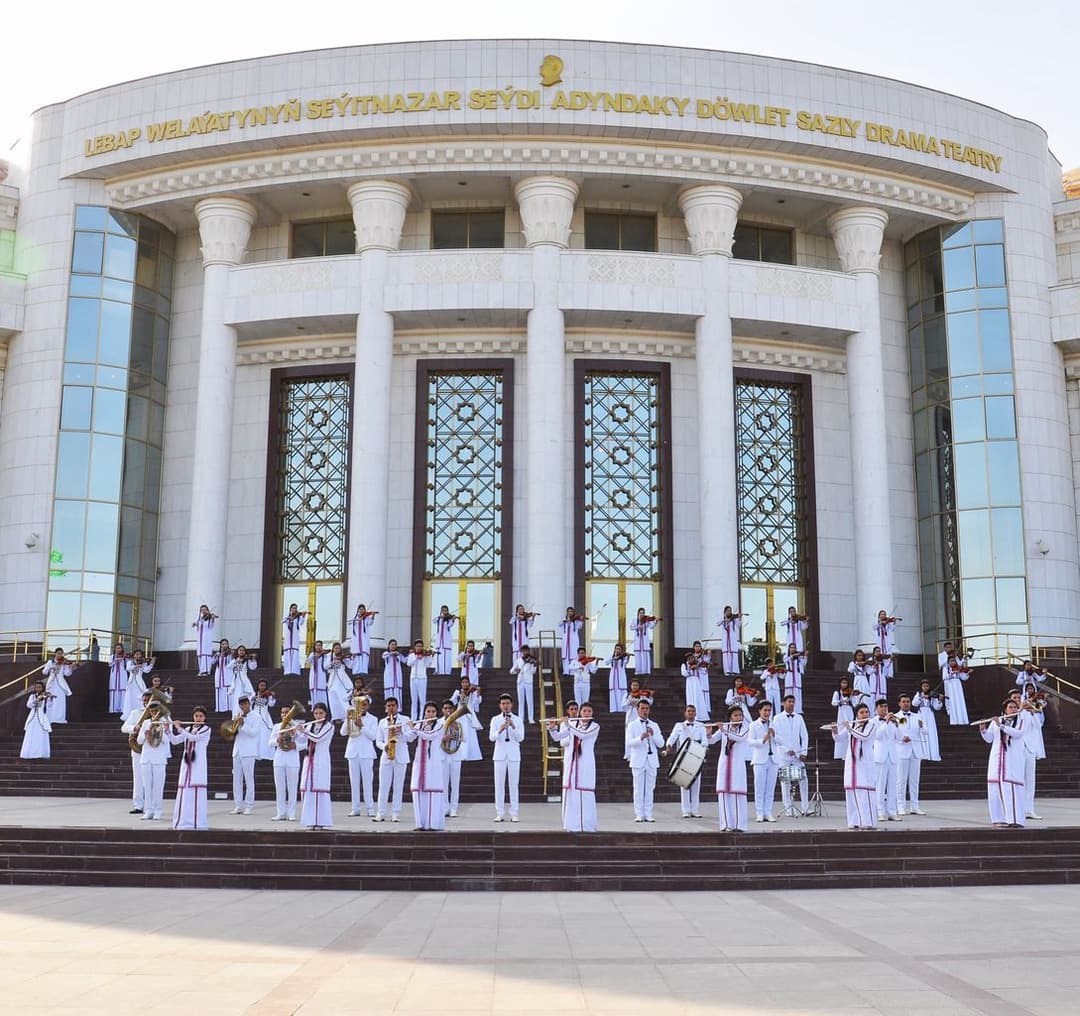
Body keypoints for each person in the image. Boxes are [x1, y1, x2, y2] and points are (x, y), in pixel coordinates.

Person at [550, 702, 599, 832]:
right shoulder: (572, 724)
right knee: (570, 793)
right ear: (580, 713)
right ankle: (571, 825)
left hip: (585, 765)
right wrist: (553, 728)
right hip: (572, 764)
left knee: (585, 793)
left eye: (589, 711)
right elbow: (558, 738)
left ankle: (587, 826)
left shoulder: (594, 726)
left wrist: (568, 725)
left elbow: (582, 735)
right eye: (584, 711)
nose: (586, 714)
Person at [979, 700, 1028, 828]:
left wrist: (1000, 725)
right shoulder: (997, 721)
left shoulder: (1021, 721)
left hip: (1012, 762)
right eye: (1010, 707)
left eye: (1015, 707)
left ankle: (1015, 819)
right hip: (997, 761)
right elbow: (989, 739)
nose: (1013, 709)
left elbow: (1018, 733)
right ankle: (999, 819)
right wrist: (983, 729)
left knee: (1012, 789)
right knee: (995, 790)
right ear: (1005, 709)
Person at [831, 704, 878, 829]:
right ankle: (854, 821)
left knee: (863, 791)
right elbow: (839, 739)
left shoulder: (872, 725)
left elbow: (864, 736)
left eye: (866, 712)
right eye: (862, 712)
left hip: (864, 762)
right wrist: (835, 730)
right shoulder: (852, 725)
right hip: (851, 762)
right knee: (851, 791)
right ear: (857, 714)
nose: (865, 715)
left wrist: (850, 729)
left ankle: (867, 822)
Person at [167, 708, 211, 830]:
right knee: (185, 792)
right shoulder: (188, 729)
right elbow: (175, 741)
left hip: (198, 766)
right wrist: (168, 730)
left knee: (197, 792)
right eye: (196, 716)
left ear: (204, 718)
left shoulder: (207, 729)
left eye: (201, 716)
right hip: (187, 765)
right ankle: (182, 822)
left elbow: (193, 738)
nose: (198, 718)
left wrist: (179, 728)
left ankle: (198, 824)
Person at [710, 706, 751, 832]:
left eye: (740, 715)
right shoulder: (725, 727)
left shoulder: (745, 727)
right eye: (736, 715)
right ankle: (726, 824)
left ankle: (740, 825)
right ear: (730, 717)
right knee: (723, 793)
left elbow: (739, 738)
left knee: (737, 793)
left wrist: (724, 730)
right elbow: (711, 741)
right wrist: (708, 732)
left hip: (737, 765)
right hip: (724, 765)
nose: (739, 717)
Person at [663, 704, 708, 818]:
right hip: (683, 757)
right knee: (684, 784)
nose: (691, 713)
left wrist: (700, 749)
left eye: (693, 711)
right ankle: (686, 810)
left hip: (696, 757)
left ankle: (695, 810)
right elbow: (672, 738)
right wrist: (668, 747)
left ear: (696, 713)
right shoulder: (679, 726)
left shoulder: (701, 726)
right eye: (689, 711)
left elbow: (705, 742)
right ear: (685, 713)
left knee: (696, 784)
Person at [448, 677, 484, 809]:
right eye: (463, 682)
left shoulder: (472, 692)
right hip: (459, 713)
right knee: (460, 735)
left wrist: (478, 692)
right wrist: (458, 696)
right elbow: (451, 702)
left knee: (469, 735)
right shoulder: (458, 692)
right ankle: (461, 753)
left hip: (468, 714)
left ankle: (469, 753)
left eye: (466, 683)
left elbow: (477, 702)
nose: (465, 684)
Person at [625, 698, 664, 822]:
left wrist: (654, 735)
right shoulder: (632, 725)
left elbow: (661, 744)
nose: (644, 711)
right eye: (642, 708)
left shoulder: (654, 725)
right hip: (638, 760)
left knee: (650, 788)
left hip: (651, 760)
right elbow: (629, 743)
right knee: (638, 788)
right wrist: (640, 738)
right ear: (638, 710)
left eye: (646, 709)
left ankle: (648, 813)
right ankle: (639, 813)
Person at [409, 704, 446, 830]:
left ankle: (433, 824)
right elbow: (409, 738)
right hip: (419, 763)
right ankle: (420, 824)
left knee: (432, 792)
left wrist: (414, 729)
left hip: (433, 763)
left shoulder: (440, 725)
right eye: (428, 711)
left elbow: (430, 735)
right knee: (418, 792)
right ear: (424, 713)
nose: (430, 714)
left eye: (433, 711)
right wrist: (398, 733)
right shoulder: (420, 725)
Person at [342, 693, 379, 817]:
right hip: (352, 752)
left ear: (368, 706)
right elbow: (343, 733)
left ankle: (370, 808)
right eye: (359, 704)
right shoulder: (351, 715)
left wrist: (361, 726)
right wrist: (347, 719)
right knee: (354, 782)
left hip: (366, 753)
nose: (362, 706)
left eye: (364, 704)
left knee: (368, 781)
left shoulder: (373, 719)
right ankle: (355, 808)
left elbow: (373, 736)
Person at [299, 703, 335, 829]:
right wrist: (296, 732)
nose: (318, 716)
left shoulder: (329, 726)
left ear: (326, 714)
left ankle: (322, 821)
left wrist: (305, 731)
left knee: (320, 790)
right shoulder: (310, 726)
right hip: (309, 761)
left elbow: (318, 738)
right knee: (308, 789)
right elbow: (303, 741)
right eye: (316, 713)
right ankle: (309, 821)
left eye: (321, 713)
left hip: (321, 761)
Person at [489, 694, 524, 822]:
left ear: (512, 705)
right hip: (499, 755)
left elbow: (521, 738)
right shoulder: (495, 720)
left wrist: (513, 726)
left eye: (508, 703)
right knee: (499, 785)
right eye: (503, 703)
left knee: (514, 785)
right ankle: (500, 813)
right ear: (500, 705)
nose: (505, 706)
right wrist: (500, 729)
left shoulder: (518, 720)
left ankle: (514, 813)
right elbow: (492, 737)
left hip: (514, 755)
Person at [375, 697, 409, 822]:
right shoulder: (382, 722)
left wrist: (400, 733)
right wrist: (385, 747)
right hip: (387, 756)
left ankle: (395, 813)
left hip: (401, 756)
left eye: (393, 705)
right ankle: (381, 812)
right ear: (385, 708)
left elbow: (410, 738)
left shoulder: (405, 720)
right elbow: (378, 740)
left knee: (398, 786)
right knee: (383, 786)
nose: (391, 708)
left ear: (397, 707)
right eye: (389, 705)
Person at [774, 694, 809, 817]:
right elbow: (775, 737)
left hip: (798, 755)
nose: (792, 704)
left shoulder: (799, 717)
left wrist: (803, 752)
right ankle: (788, 808)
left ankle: (805, 807)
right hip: (784, 755)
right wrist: (785, 749)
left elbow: (804, 736)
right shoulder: (777, 718)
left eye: (793, 701)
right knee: (785, 782)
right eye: (789, 701)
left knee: (803, 779)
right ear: (784, 703)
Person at [135, 701, 171, 820]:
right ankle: (148, 810)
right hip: (146, 758)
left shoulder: (164, 722)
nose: (154, 713)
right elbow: (139, 741)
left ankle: (158, 810)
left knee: (158, 786)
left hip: (159, 758)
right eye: (152, 711)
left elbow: (167, 741)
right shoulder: (145, 722)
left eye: (156, 711)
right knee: (147, 786)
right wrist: (145, 734)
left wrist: (164, 731)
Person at [269, 705, 306, 821]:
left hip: (292, 760)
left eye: (287, 712)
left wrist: (296, 745)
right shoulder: (277, 727)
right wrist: (277, 740)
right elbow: (269, 743)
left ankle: (291, 813)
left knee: (292, 788)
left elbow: (305, 743)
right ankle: (281, 813)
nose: (285, 714)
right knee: (279, 788)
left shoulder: (296, 727)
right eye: (283, 712)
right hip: (279, 760)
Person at [894, 694, 926, 816]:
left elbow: (925, 732)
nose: (906, 703)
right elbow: (893, 735)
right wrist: (902, 738)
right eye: (904, 701)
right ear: (899, 703)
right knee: (901, 780)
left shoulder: (917, 716)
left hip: (916, 751)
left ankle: (915, 806)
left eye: (908, 701)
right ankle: (900, 806)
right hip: (902, 751)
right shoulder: (896, 717)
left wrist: (922, 725)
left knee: (914, 780)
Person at [121, 690, 153, 813]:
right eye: (144, 701)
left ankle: (151, 805)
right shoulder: (135, 713)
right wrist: (134, 728)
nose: (146, 703)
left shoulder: (158, 713)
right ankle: (138, 805)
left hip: (152, 749)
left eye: (148, 700)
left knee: (151, 779)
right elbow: (124, 727)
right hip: (138, 749)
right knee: (138, 778)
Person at [748, 701, 780, 823]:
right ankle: (759, 812)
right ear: (760, 711)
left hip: (773, 759)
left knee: (770, 788)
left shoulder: (774, 724)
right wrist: (763, 739)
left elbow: (781, 740)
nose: (767, 713)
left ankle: (768, 812)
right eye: (765, 710)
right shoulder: (753, 725)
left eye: (769, 710)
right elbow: (750, 741)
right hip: (760, 759)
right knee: (759, 787)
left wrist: (774, 735)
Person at [871, 699, 902, 822]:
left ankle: (892, 812)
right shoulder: (873, 721)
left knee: (892, 785)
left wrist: (897, 725)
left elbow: (899, 737)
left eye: (886, 706)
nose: (884, 709)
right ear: (877, 708)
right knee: (880, 785)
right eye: (882, 707)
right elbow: (877, 735)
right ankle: (880, 812)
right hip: (880, 757)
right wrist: (886, 722)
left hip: (893, 757)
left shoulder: (894, 722)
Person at [229, 697, 260, 815]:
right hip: (237, 751)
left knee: (249, 779)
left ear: (249, 704)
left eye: (245, 704)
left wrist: (243, 724)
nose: (243, 707)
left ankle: (249, 805)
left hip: (249, 752)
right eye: (241, 705)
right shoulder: (237, 715)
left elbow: (254, 733)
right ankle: (238, 805)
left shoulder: (256, 716)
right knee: (236, 779)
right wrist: (235, 725)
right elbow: (232, 732)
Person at [1019, 686, 1047, 821]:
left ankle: (1029, 809)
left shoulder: (1033, 712)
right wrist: (1021, 710)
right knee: (1018, 780)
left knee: (1030, 781)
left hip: (1030, 749)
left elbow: (1038, 725)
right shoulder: (1015, 712)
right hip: (1016, 750)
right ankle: (1018, 809)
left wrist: (1033, 711)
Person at [439, 700, 467, 818]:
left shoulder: (459, 723)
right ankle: (445, 808)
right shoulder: (438, 722)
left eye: (450, 708)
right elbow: (434, 739)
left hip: (455, 756)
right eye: (445, 708)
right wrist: (444, 738)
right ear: (442, 710)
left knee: (455, 784)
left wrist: (456, 731)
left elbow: (464, 739)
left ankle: (453, 808)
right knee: (444, 783)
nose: (448, 710)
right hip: (443, 755)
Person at [911, 679, 944, 762]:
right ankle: (923, 753)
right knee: (921, 732)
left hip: (929, 716)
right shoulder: (918, 694)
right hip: (921, 715)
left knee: (931, 733)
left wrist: (939, 700)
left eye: (927, 686)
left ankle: (933, 754)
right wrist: (921, 697)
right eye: (924, 686)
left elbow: (937, 707)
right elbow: (914, 703)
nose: (925, 688)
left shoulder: (932, 695)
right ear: (921, 687)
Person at [830, 677, 860, 761]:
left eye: (845, 683)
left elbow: (855, 704)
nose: (844, 685)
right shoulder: (837, 693)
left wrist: (850, 700)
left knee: (849, 728)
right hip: (841, 713)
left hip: (849, 711)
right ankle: (841, 753)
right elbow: (833, 702)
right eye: (842, 683)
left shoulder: (851, 692)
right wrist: (841, 702)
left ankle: (850, 751)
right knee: (841, 730)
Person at [20, 682, 52, 759]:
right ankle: (29, 753)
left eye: (39, 687)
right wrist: (36, 700)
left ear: (42, 688)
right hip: (33, 717)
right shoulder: (32, 696)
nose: (38, 689)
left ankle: (41, 753)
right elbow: (28, 705)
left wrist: (50, 698)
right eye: (36, 687)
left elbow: (50, 706)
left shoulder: (45, 695)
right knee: (31, 733)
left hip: (42, 716)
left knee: (41, 733)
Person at [42, 648, 74, 723]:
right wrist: (50, 668)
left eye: (61, 653)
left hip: (61, 684)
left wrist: (71, 667)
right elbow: (44, 672)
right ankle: (50, 718)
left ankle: (60, 718)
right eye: (58, 653)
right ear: (55, 654)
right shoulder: (50, 662)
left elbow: (67, 674)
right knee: (51, 700)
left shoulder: (64, 662)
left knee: (60, 701)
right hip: (52, 684)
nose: (60, 655)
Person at [406, 640, 436, 721]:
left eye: (420, 646)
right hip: (413, 678)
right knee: (414, 700)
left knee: (422, 700)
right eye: (417, 646)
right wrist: (416, 658)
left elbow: (428, 664)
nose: (419, 647)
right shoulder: (412, 655)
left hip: (422, 678)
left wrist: (431, 656)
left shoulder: (425, 655)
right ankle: (413, 718)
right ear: (415, 647)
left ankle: (422, 717)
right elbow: (409, 663)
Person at [250, 680, 277, 761]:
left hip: (265, 716)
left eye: (264, 686)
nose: (262, 687)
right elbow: (249, 703)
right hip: (255, 715)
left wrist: (272, 696)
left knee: (264, 734)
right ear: (258, 686)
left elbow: (271, 704)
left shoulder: (267, 695)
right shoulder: (254, 694)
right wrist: (253, 699)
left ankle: (265, 753)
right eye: (261, 685)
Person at [681, 646, 711, 720]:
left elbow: (703, 671)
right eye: (689, 658)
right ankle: (691, 714)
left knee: (698, 696)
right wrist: (690, 669)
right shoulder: (684, 665)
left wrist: (703, 666)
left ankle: (700, 715)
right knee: (691, 696)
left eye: (691, 658)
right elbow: (684, 673)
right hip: (689, 681)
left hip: (696, 681)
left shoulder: (697, 664)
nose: (690, 659)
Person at [510, 645, 538, 723]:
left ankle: (531, 718)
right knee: (521, 701)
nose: (525, 652)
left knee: (530, 700)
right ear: (521, 652)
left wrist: (534, 666)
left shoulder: (531, 660)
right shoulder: (518, 660)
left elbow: (533, 672)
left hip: (528, 681)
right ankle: (521, 718)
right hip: (520, 682)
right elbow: (511, 671)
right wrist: (516, 670)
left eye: (527, 651)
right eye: (524, 651)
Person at [942, 650, 971, 725]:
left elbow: (963, 677)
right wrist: (952, 673)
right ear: (948, 662)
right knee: (953, 702)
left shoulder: (958, 668)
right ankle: (954, 720)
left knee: (960, 700)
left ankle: (963, 720)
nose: (953, 662)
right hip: (951, 686)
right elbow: (944, 678)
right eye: (951, 661)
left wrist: (967, 673)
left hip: (958, 686)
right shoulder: (946, 669)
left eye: (954, 661)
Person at [325, 646, 353, 722]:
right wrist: (332, 662)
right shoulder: (329, 656)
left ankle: (347, 715)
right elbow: (326, 666)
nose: (337, 649)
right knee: (332, 697)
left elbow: (350, 666)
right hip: (332, 679)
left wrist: (347, 658)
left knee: (342, 696)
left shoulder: (343, 657)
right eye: (335, 648)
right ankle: (336, 716)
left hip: (341, 679)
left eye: (338, 648)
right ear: (333, 649)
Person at [123, 649, 154, 716]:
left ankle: (140, 713)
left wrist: (151, 664)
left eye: (139, 654)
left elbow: (146, 670)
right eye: (136, 654)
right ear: (133, 655)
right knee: (130, 697)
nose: (138, 656)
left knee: (140, 696)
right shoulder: (130, 662)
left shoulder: (143, 663)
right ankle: (130, 713)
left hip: (140, 682)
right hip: (131, 683)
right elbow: (128, 668)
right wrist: (136, 666)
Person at [349, 603, 378, 675]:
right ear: (358, 610)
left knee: (364, 655)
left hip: (364, 640)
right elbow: (349, 623)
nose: (361, 610)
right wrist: (358, 619)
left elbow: (370, 623)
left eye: (363, 609)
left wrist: (373, 615)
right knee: (357, 655)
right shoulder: (355, 617)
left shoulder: (366, 618)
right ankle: (356, 671)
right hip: (356, 641)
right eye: (360, 609)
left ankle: (364, 670)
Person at [228, 645, 257, 715]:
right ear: (237, 652)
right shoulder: (235, 660)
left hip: (244, 681)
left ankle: (247, 713)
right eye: (240, 650)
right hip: (236, 682)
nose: (241, 652)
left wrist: (253, 659)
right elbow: (229, 667)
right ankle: (236, 715)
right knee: (236, 698)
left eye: (243, 650)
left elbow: (253, 667)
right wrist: (236, 661)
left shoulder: (247, 660)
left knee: (246, 696)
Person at [604, 644, 631, 715]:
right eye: (617, 649)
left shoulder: (623, 657)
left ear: (622, 650)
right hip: (613, 677)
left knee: (622, 692)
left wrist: (627, 656)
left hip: (621, 677)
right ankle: (614, 708)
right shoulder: (612, 656)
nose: (618, 650)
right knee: (613, 691)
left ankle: (622, 708)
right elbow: (606, 662)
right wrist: (614, 658)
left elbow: (626, 662)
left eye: (619, 649)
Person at [281, 603, 307, 677]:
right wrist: (290, 617)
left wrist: (303, 615)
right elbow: (282, 621)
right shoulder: (287, 618)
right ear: (290, 609)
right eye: (293, 608)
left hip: (295, 639)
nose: (294, 609)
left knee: (295, 655)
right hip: (288, 640)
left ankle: (295, 670)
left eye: (295, 608)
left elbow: (301, 623)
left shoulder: (298, 618)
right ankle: (287, 671)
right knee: (287, 655)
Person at [716, 605, 743, 676]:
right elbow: (717, 623)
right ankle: (727, 671)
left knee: (733, 654)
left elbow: (739, 625)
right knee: (726, 654)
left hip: (733, 640)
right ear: (725, 612)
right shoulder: (723, 619)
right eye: (728, 611)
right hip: (726, 641)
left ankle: (734, 671)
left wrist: (739, 618)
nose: (729, 612)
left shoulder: (734, 619)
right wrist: (725, 620)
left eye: (730, 611)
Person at [191, 605, 218, 676]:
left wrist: (212, 618)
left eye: (205, 609)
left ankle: (206, 670)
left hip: (206, 638)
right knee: (200, 654)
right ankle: (201, 670)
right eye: (202, 610)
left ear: (207, 610)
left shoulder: (209, 618)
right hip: (200, 639)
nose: (203, 611)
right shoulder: (200, 619)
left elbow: (210, 626)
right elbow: (197, 625)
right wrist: (195, 624)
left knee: (205, 654)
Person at [630, 608, 658, 675]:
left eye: (643, 613)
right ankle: (638, 671)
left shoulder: (647, 620)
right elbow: (631, 627)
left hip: (644, 642)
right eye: (640, 613)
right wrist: (638, 627)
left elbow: (651, 626)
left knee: (645, 655)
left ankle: (646, 671)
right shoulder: (635, 620)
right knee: (638, 656)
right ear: (638, 613)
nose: (642, 614)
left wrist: (656, 621)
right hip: (638, 641)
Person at [432, 605, 458, 676]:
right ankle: (438, 670)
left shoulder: (448, 619)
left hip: (446, 642)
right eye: (443, 610)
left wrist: (453, 619)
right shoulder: (438, 619)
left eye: (446, 610)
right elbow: (433, 621)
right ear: (441, 611)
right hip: (439, 642)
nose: (444, 611)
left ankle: (446, 672)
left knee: (446, 658)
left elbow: (450, 625)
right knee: (438, 656)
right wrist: (440, 617)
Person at [558, 607, 584, 676]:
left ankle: (572, 672)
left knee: (573, 655)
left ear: (573, 612)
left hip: (573, 641)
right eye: (568, 611)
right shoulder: (564, 620)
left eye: (571, 611)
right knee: (565, 656)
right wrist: (567, 620)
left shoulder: (576, 621)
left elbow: (580, 626)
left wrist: (581, 620)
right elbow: (559, 624)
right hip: (566, 642)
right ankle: (566, 671)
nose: (570, 613)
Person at [783, 643, 806, 714]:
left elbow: (804, 663)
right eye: (791, 647)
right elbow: (785, 660)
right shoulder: (786, 656)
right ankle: (787, 709)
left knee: (797, 695)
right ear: (789, 649)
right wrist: (792, 656)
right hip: (789, 678)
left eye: (794, 648)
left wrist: (805, 656)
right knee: (788, 694)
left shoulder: (799, 657)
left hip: (797, 678)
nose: (792, 649)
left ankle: (798, 710)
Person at [211, 639, 233, 713]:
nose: (224, 645)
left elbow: (231, 663)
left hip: (227, 674)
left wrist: (230, 655)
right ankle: (219, 708)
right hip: (219, 675)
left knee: (227, 690)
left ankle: (228, 708)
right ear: (220, 645)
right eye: (222, 644)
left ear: (228, 645)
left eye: (225, 644)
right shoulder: (218, 654)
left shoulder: (230, 654)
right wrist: (216, 655)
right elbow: (212, 662)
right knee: (219, 690)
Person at [306, 640, 329, 708]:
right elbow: (308, 661)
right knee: (314, 692)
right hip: (313, 676)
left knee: (321, 691)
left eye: (320, 645)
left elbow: (326, 665)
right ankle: (314, 708)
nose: (318, 647)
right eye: (317, 645)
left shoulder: (325, 655)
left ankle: (323, 708)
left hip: (321, 675)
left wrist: (322, 654)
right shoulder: (313, 654)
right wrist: (316, 655)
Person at [382, 639, 407, 704]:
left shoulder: (398, 655)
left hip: (397, 678)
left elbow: (405, 661)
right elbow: (384, 656)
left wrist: (409, 654)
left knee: (397, 693)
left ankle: (398, 708)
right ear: (389, 645)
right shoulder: (386, 653)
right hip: (389, 678)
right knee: (389, 693)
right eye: (392, 644)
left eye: (395, 645)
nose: (393, 646)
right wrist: (392, 653)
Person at [107, 643, 128, 713]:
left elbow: (128, 667)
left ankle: (122, 708)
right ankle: (113, 709)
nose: (118, 649)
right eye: (117, 648)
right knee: (114, 691)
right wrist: (115, 660)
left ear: (122, 649)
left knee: (122, 690)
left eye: (119, 648)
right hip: (114, 676)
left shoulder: (125, 658)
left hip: (122, 675)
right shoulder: (112, 656)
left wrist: (124, 658)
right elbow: (109, 664)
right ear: (115, 649)